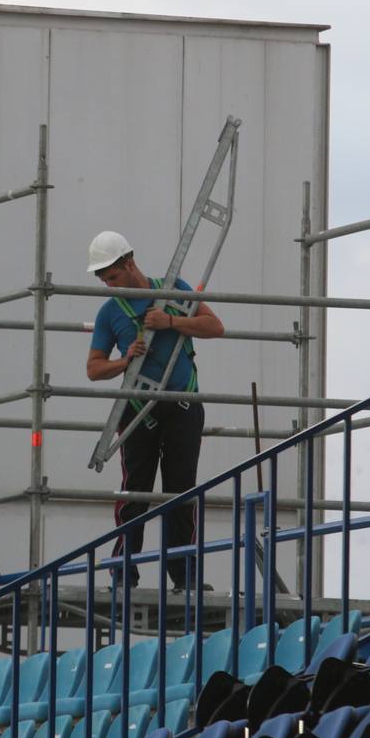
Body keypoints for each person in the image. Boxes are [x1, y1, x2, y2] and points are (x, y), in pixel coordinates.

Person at [85, 230, 224, 589]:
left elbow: (214, 326)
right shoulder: (109, 313)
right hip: (138, 409)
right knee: (136, 492)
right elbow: (94, 368)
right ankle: (123, 573)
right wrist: (124, 360)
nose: (110, 285)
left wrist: (171, 322)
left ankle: (184, 576)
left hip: (182, 403)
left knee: (180, 492)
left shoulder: (173, 286)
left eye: (113, 277)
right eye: (104, 280)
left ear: (129, 262)